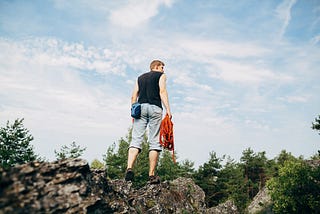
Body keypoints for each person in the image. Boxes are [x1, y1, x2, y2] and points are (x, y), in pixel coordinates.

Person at [125, 59, 172, 184]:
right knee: (154, 141)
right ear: (156, 66)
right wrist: (168, 110)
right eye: (162, 67)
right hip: (155, 108)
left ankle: (129, 168)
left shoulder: (140, 78)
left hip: (140, 108)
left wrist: (134, 110)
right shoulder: (161, 76)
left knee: (136, 139)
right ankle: (151, 175)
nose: (163, 69)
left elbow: (133, 96)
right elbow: (162, 91)